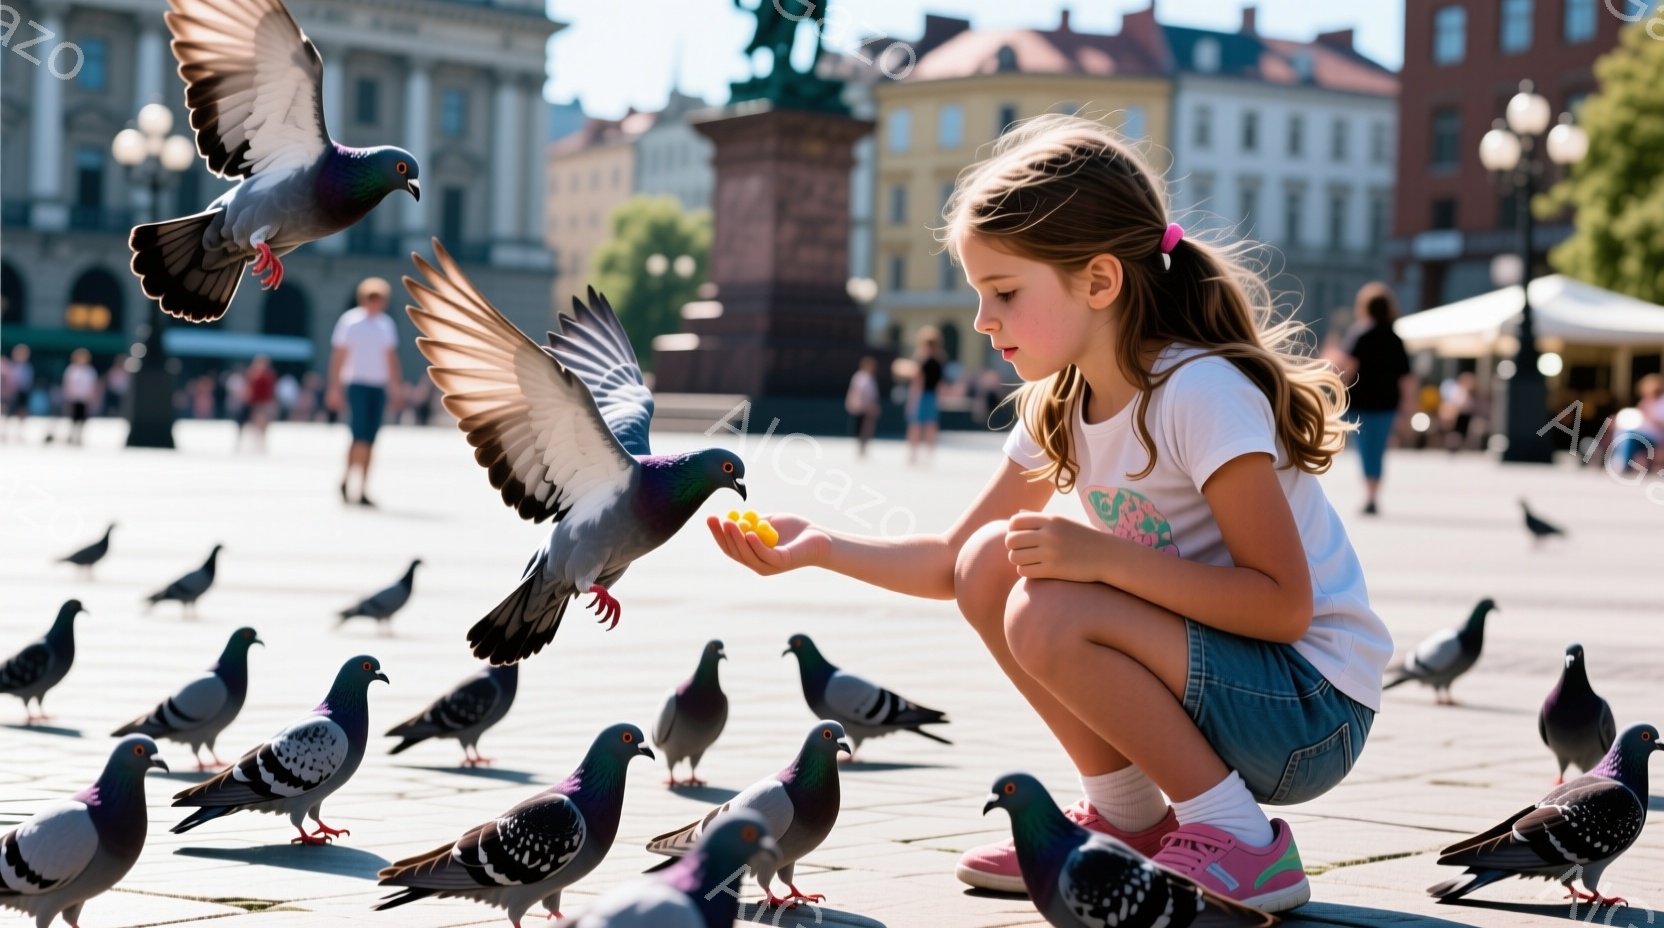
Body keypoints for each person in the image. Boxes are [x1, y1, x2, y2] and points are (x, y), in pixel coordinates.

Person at [705, 115, 1390, 914]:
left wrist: (1102, 560)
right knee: (994, 560)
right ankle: (1130, 822)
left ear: (1100, 283)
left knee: (1047, 604)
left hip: (1310, 713)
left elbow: (1283, 604)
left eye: (1004, 292)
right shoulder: (1060, 402)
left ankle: (1240, 839)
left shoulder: (1198, 391)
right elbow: (956, 564)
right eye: (979, 294)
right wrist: (822, 546)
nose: (981, 321)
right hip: (1232, 689)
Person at [1335, 283, 1412, 515]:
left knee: (1365, 448)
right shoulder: (1395, 338)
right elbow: (1406, 376)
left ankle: (1369, 492)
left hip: (1360, 400)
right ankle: (1373, 493)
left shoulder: (1359, 333)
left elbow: (1346, 367)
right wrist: (1408, 405)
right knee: (1378, 448)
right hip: (1387, 402)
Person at [327, 277, 402, 506]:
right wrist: (334, 387)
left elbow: (391, 358)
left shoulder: (386, 325)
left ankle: (362, 488)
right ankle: (349, 479)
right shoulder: (350, 322)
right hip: (357, 384)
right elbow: (338, 356)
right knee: (358, 436)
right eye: (372, 298)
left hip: (377, 386)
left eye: (379, 299)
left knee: (371, 439)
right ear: (363, 299)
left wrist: (396, 386)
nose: (376, 303)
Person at [1609, 373, 1664, 475]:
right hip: (1641, 436)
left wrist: (1650, 417)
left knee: (1630, 435)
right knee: (1622, 432)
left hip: (1657, 439)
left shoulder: (1661, 403)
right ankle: (1619, 461)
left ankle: (1624, 464)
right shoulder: (1644, 402)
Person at [906, 326, 945, 466]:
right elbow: (940, 383)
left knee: (916, 425)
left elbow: (918, 381)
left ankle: (913, 455)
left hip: (922, 395)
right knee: (930, 426)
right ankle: (929, 455)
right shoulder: (939, 361)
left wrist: (913, 400)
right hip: (932, 395)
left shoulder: (923, 360)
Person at [59, 348, 100, 446]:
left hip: (85, 399)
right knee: (73, 417)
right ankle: (72, 435)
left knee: (83, 418)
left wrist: (93, 398)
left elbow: (93, 385)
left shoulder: (90, 371)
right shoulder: (71, 369)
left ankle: (80, 436)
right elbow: (67, 384)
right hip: (73, 398)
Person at [844, 356, 881, 457]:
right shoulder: (859, 376)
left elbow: (873, 394)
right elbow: (856, 391)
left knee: (867, 427)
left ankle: (864, 446)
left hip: (869, 405)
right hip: (862, 405)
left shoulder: (871, 377)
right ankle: (861, 446)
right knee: (860, 427)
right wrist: (856, 403)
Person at [241, 354, 278, 452]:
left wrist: (272, 402)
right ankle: (256, 441)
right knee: (254, 422)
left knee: (263, 422)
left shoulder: (268, 375)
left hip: (264, 403)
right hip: (255, 403)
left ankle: (262, 441)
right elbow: (249, 388)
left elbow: (271, 390)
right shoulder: (252, 373)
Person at [2, 344, 34, 442]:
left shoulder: (28, 367)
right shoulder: (10, 366)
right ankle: (4, 432)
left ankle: (19, 432)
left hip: (22, 392)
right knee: (7, 412)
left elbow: (29, 381)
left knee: (21, 412)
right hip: (11, 391)